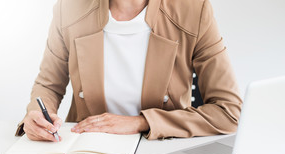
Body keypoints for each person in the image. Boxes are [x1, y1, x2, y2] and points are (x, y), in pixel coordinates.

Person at [16, 0, 242, 141]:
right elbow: (48, 86)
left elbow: (229, 111)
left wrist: (140, 122)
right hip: (85, 149)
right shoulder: (69, 8)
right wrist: (35, 116)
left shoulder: (194, 10)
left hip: (159, 150)